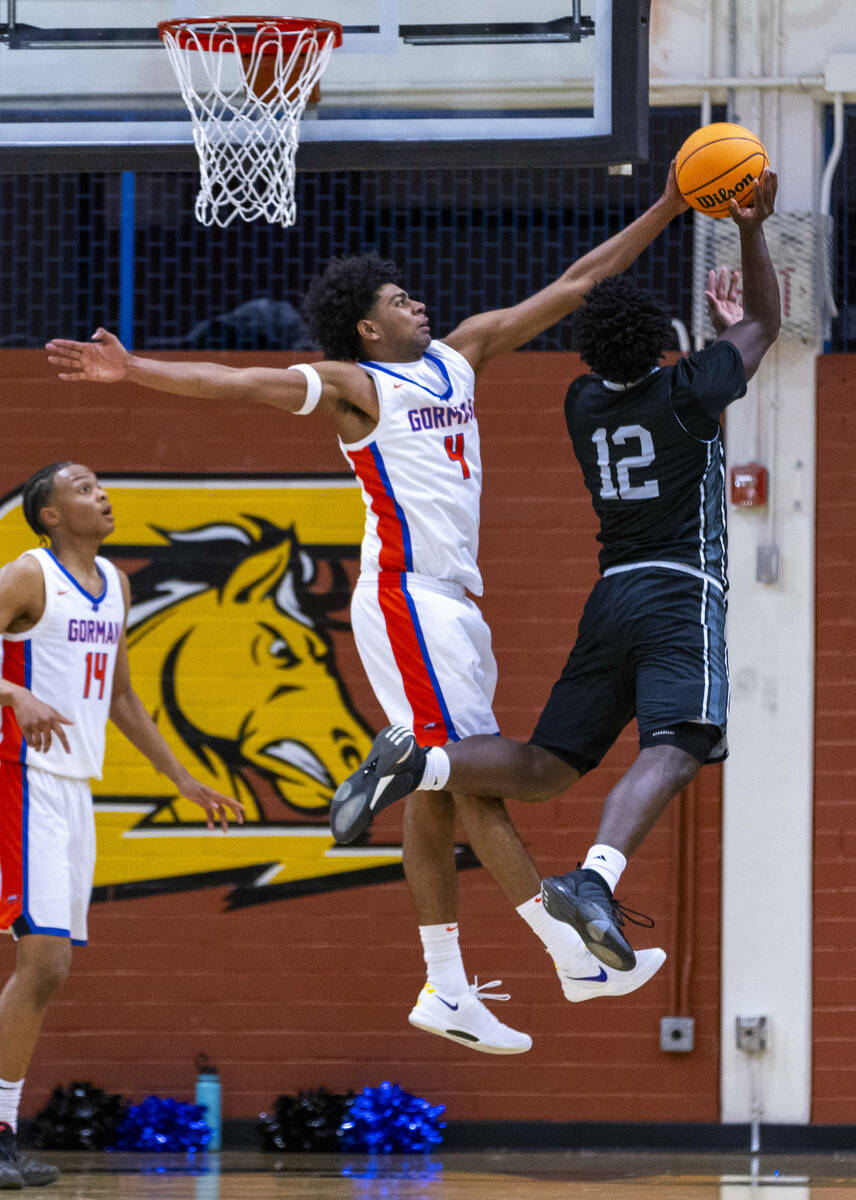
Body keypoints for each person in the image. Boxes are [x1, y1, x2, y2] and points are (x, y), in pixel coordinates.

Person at [46, 166, 688, 1055]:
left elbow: (577, 284)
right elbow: (237, 386)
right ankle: (567, 951)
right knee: (469, 779)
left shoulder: (462, 356)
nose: (416, 302)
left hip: (457, 607)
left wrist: (668, 205)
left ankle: (447, 986)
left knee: (443, 784)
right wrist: (133, 370)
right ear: (365, 325)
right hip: (405, 598)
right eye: (398, 298)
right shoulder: (356, 387)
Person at [327, 167, 781, 972]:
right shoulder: (692, 390)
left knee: (544, 766)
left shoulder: (584, 402)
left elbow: (626, 322)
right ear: (666, 345)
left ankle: (423, 759)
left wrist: (712, 335)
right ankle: (595, 877)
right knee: (683, 742)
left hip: (611, 599)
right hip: (681, 592)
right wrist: (750, 231)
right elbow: (767, 324)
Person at [0, 462, 244, 1187]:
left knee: (51, 971)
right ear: (48, 513)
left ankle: (3, 1131)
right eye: (80, 486)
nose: (99, 493)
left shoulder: (116, 585)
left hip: (76, 788)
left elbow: (125, 696)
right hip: (21, 777)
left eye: (100, 483)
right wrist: (13, 691)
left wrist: (180, 777)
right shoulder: (26, 575)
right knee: (42, 963)